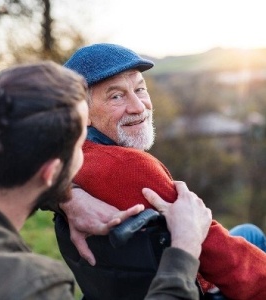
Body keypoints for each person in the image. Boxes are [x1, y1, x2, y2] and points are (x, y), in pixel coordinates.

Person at [0, 61, 212, 300]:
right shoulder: (32, 286)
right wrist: (184, 250)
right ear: (50, 172)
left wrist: (70, 197)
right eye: (81, 142)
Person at [54, 43, 266, 300]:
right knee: (251, 235)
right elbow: (218, 253)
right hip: (185, 288)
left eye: (140, 89)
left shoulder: (62, 159)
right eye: (116, 96)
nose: (138, 106)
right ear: (82, 112)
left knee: (248, 231)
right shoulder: (128, 166)